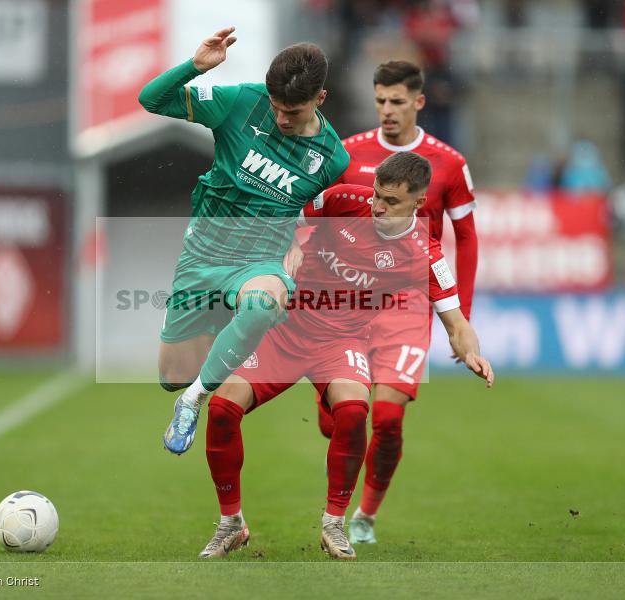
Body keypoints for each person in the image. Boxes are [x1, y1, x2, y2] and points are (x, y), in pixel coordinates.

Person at [199, 152, 493, 560]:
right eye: (377, 195)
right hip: (286, 330)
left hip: (341, 341)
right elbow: (283, 217)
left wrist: (473, 354)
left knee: (355, 412)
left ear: (419, 202)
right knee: (220, 409)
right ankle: (231, 523)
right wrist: (290, 245)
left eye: (390, 201)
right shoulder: (342, 201)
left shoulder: (425, 254)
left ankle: (334, 523)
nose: (377, 206)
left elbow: (456, 323)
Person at [138, 28, 350, 454]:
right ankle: (198, 364)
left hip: (258, 262)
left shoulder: (333, 159)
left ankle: (193, 399)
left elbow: (312, 212)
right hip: (202, 255)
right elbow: (151, 100)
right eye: (275, 108)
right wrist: (195, 67)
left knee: (261, 305)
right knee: (171, 375)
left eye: (292, 110)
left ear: (320, 99)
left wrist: (299, 239)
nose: (281, 119)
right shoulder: (239, 103)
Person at [316, 61, 479, 544]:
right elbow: (318, 217)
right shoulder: (347, 154)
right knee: (338, 422)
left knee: (386, 416)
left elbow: (465, 238)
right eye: (380, 100)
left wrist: (459, 316)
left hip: (405, 305)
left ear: (418, 102)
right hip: (346, 301)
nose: (387, 110)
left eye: (397, 102)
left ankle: (365, 513)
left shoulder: (448, 163)